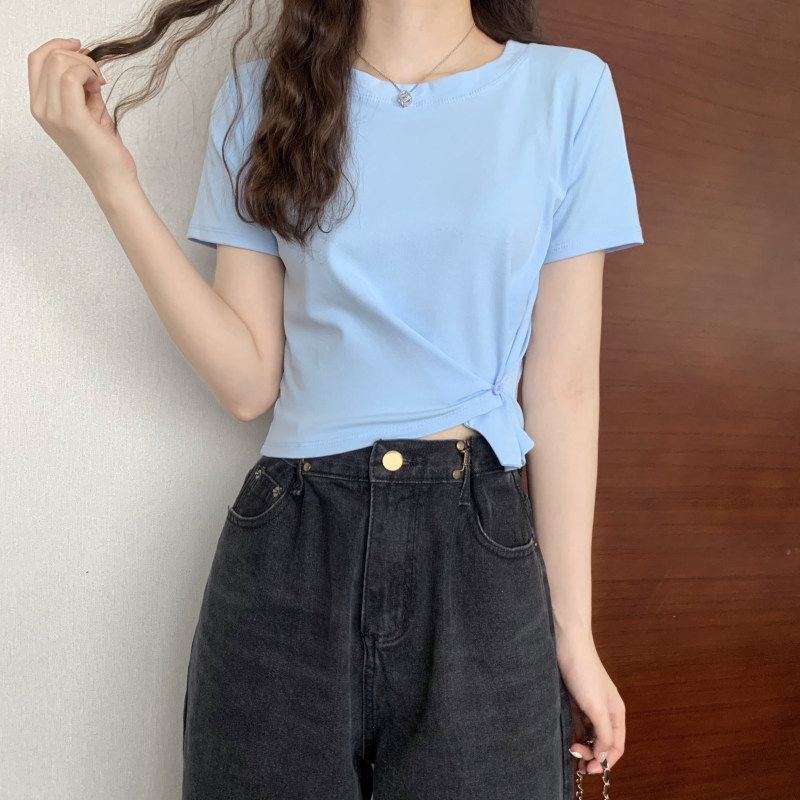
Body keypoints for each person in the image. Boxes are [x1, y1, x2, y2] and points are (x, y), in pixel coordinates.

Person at [27, 1, 643, 797]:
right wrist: (111, 180)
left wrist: (573, 632)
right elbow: (248, 381)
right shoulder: (262, 96)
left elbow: (562, 388)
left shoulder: (568, 91)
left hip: (478, 557)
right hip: (290, 547)